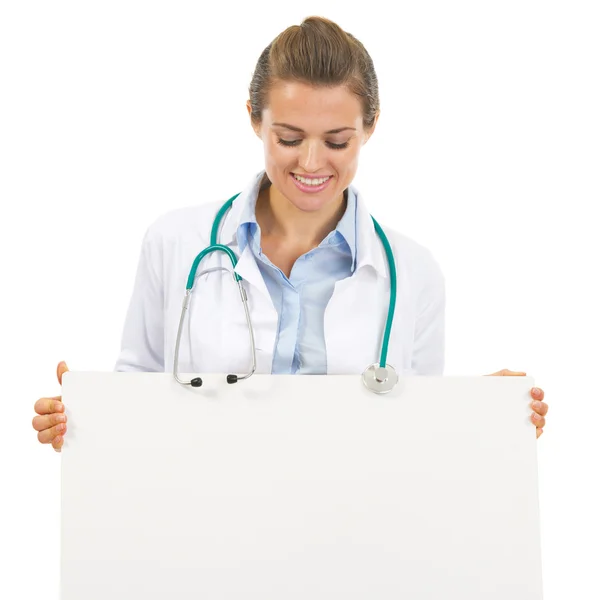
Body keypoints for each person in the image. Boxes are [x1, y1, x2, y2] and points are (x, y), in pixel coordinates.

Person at [31, 16, 548, 451]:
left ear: (370, 127)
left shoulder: (414, 273)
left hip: (350, 541)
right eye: (290, 137)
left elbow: (413, 437)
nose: (311, 163)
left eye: (338, 141)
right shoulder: (175, 242)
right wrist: (79, 422)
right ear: (255, 120)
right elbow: (136, 392)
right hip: (200, 530)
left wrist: (481, 415)